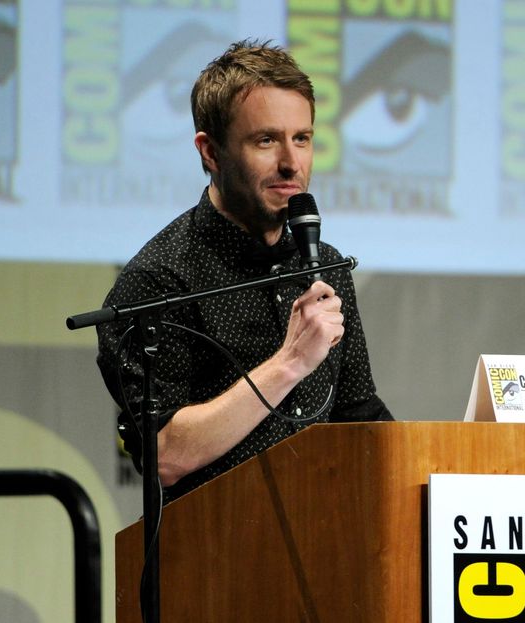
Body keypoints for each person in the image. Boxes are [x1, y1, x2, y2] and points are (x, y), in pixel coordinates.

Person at [97, 39, 393, 504]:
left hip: (327, 544)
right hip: (214, 555)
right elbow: (165, 455)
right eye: (266, 140)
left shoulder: (327, 266)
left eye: (302, 138)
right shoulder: (158, 280)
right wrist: (289, 363)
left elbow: (360, 417)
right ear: (211, 152)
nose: (291, 163)